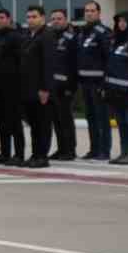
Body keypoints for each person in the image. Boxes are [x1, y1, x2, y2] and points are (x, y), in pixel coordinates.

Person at [104, 10, 128, 165]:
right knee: (121, 121)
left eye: (124, 21)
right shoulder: (115, 40)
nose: (121, 24)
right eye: (119, 21)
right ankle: (124, 151)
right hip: (115, 90)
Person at [76, 1, 113, 161]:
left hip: (99, 82)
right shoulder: (83, 32)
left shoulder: (103, 32)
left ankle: (104, 150)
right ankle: (94, 148)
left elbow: (108, 59)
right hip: (85, 82)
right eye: (86, 11)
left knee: (102, 118)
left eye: (92, 11)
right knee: (90, 117)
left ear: (99, 13)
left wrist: (105, 83)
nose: (89, 13)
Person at [19, 6, 55, 168]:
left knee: (43, 124)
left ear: (42, 18)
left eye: (34, 16)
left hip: (41, 88)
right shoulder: (28, 35)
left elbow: (49, 63)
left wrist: (45, 89)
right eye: (28, 17)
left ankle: (42, 156)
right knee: (34, 124)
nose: (30, 19)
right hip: (28, 87)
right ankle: (35, 154)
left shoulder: (47, 36)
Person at [0, 8, 25, 166]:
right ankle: (4, 153)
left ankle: (19, 154)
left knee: (14, 122)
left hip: (13, 87)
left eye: (2, 17)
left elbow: (21, 62)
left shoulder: (16, 37)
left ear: (9, 19)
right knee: (1, 122)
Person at [48, 9, 79, 161]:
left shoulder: (72, 37)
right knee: (56, 120)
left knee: (66, 119)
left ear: (66, 19)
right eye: (53, 19)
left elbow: (74, 64)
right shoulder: (50, 36)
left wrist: (71, 87)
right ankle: (61, 149)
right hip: (53, 86)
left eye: (59, 18)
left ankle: (70, 150)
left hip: (66, 86)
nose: (56, 21)